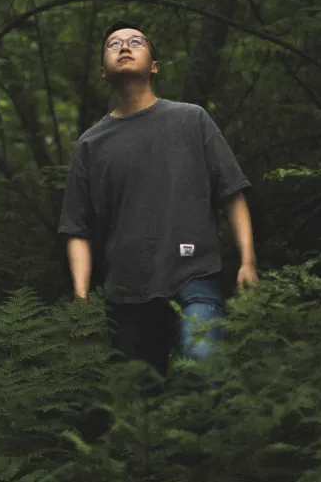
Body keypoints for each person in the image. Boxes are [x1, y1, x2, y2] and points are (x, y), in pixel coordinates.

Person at [58, 20, 257, 380]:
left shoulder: (191, 119)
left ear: (154, 65)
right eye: (113, 43)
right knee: (138, 407)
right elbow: (77, 228)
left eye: (136, 41)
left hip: (194, 275)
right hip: (126, 293)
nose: (124, 46)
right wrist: (81, 298)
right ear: (103, 71)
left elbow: (232, 191)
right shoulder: (91, 144)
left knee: (204, 366)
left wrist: (248, 260)